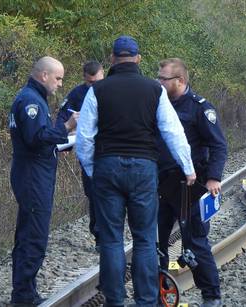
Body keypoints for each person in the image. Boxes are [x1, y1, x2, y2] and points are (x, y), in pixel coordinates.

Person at [76, 36, 196, 306]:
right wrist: (188, 167)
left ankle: (115, 301)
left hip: (108, 167)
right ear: (138, 59)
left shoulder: (97, 90)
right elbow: (172, 131)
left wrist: (94, 170)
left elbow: (84, 139)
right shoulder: (155, 91)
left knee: (111, 240)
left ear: (112, 58)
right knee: (144, 238)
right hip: (143, 169)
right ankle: (145, 301)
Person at [156, 58, 227, 307]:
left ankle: (211, 296)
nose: (159, 82)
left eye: (163, 79)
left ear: (180, 81)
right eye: (158, 77)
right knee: (156, 242)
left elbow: (218, 145)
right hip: (161, 184)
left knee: (195, 242)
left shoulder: (199, 108)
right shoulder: (157, 104)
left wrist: (213, 178)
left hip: (190, 186)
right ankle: (160, 295)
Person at [8, 56, 79, 305]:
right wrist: (67, 126)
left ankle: (24, 290)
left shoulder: (33, 97)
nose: (60, 84)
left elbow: (38, 141)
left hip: (34, 171)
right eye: (58, 78)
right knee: (34, 234)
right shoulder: (31, 101)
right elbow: (35, 137)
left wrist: (61, 143)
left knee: (29, 230)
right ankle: (24, 295)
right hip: (32, 175)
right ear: (44, 75)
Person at [56, 60, 104, 250]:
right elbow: (62, 118)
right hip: (89, 154)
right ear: (84, 79)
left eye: (97, 82)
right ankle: (100, 236)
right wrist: (65, 140)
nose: (93, 87)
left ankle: (113, 234)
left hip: (111, 150)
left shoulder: (112, 89)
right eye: (89, 83)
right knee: (93, 193)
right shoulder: (77, 94)